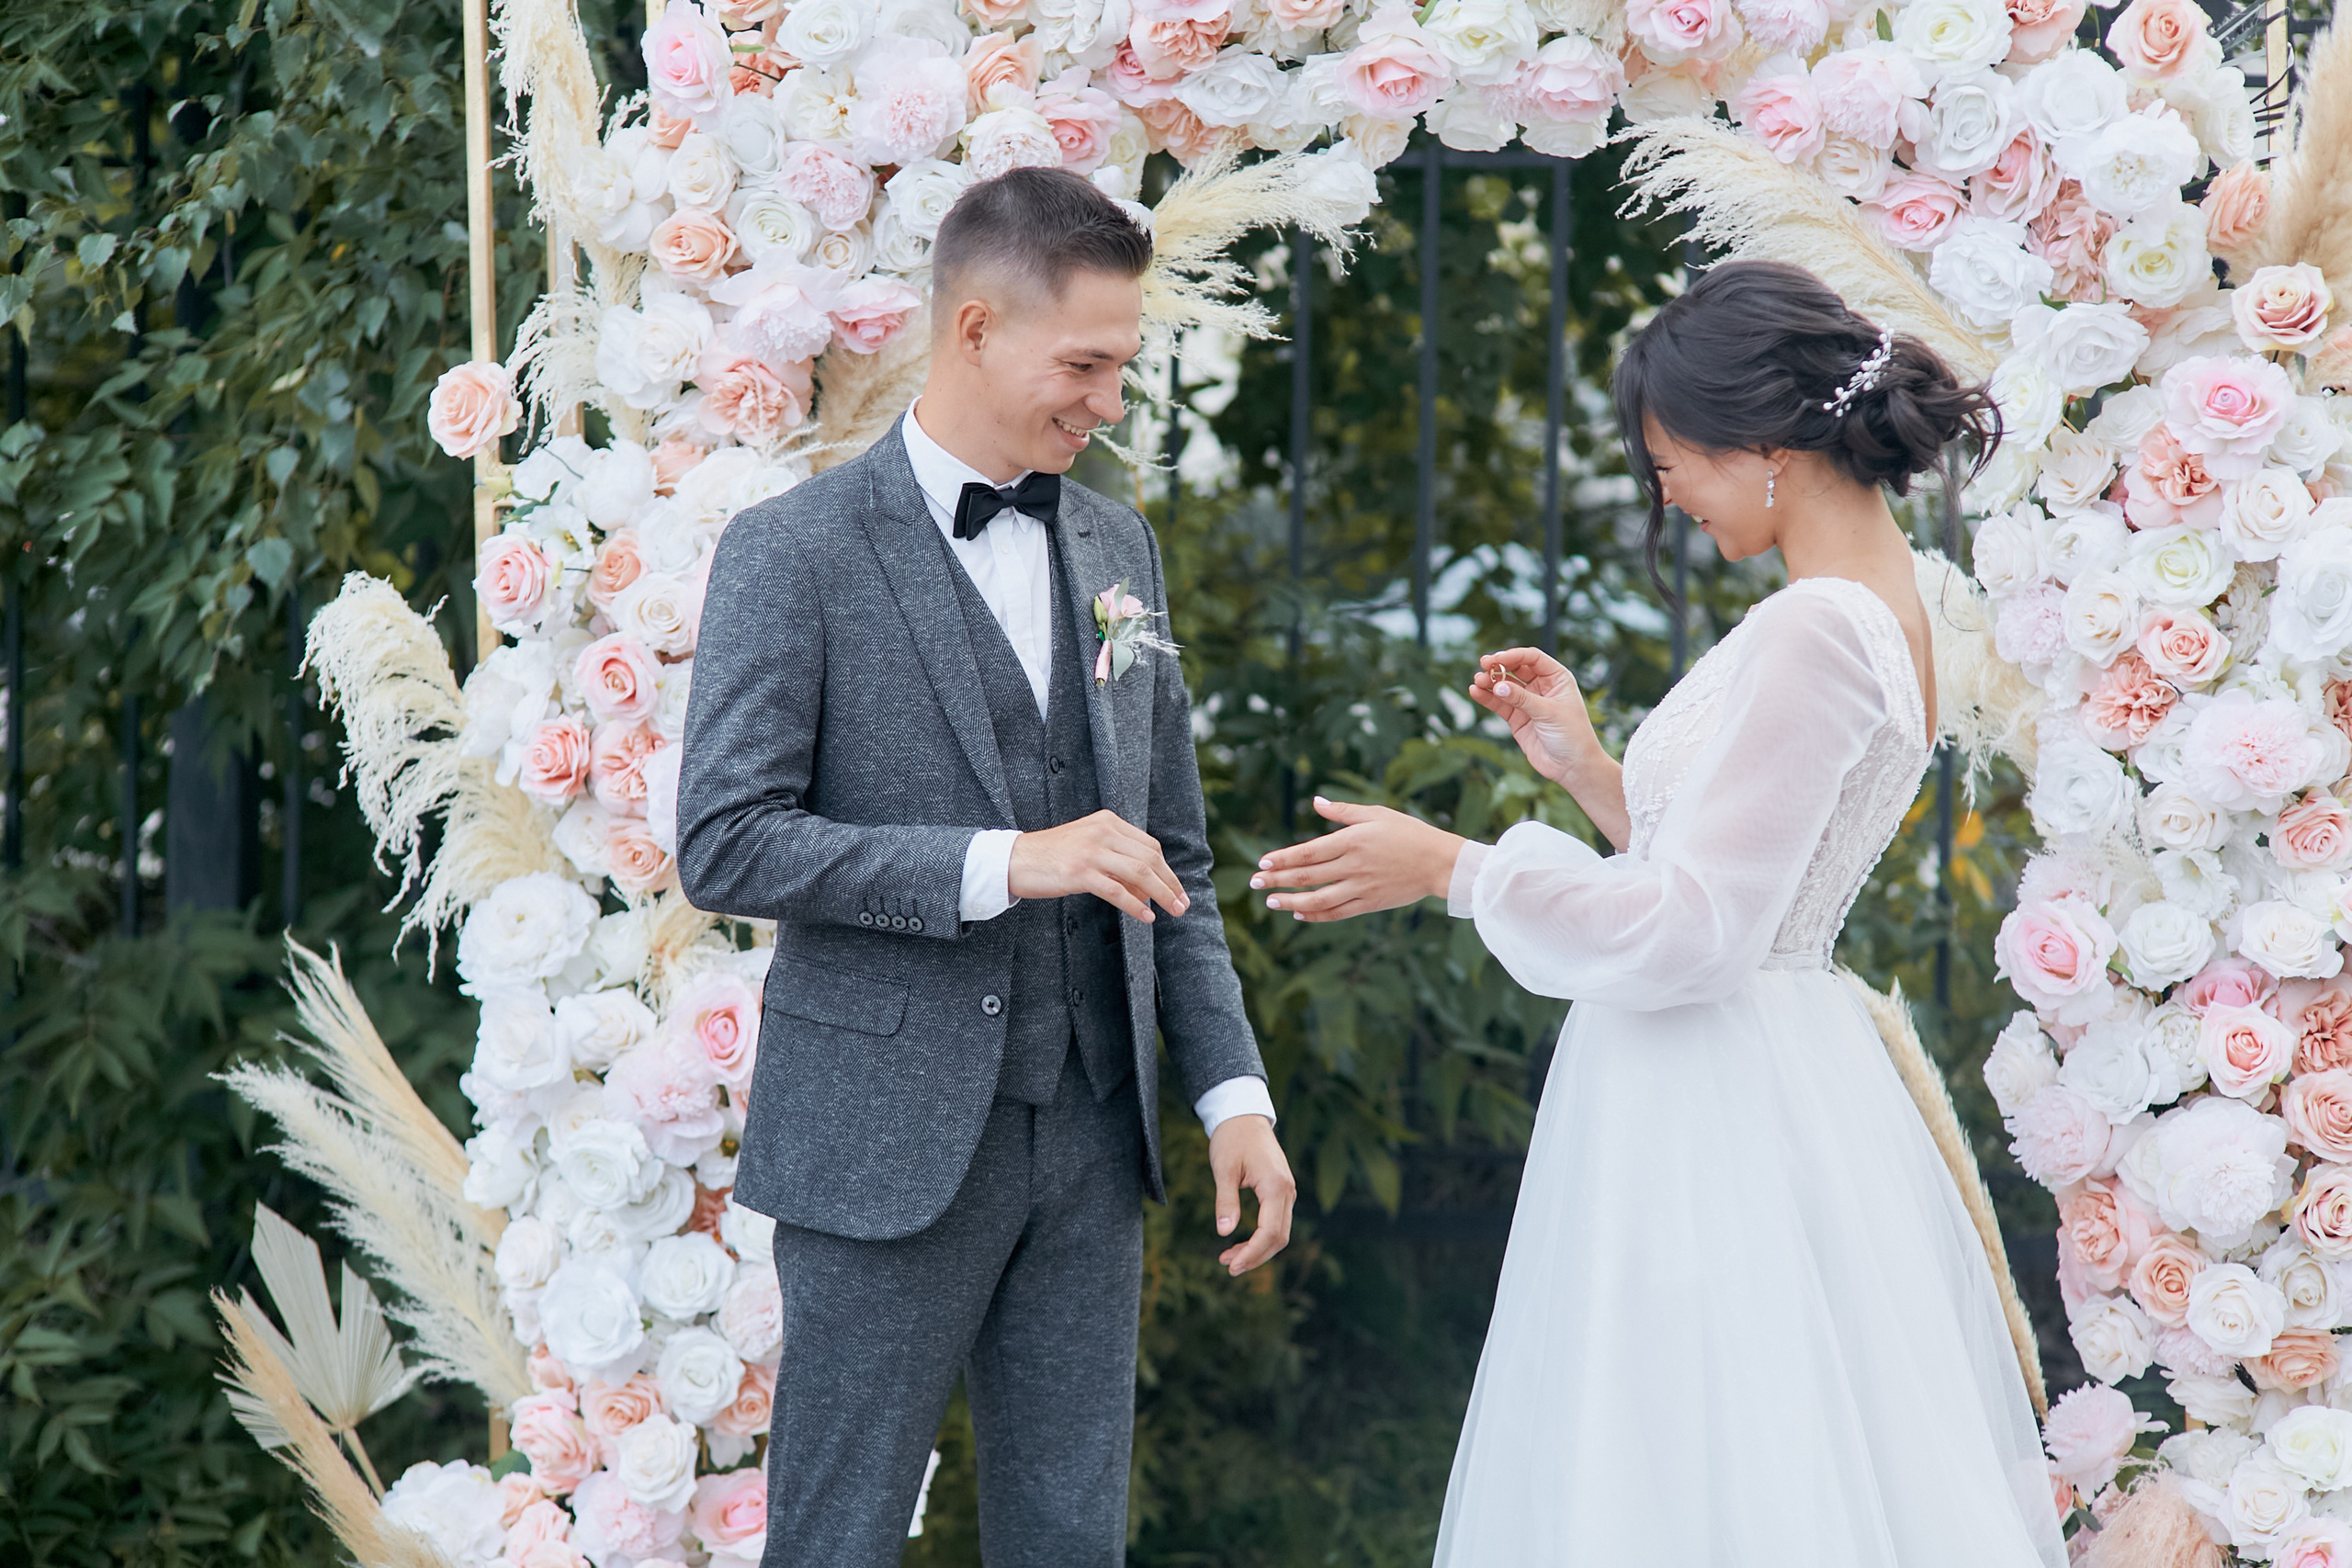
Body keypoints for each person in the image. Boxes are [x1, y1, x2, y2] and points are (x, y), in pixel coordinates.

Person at [1251, 260, 2066, 1566]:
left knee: (1689, 1471)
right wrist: (1588, 769)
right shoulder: (1885, 613)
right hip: (1766, 1069)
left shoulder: (1814, 631)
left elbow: (1699, 932)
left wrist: (1456, 868)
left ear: (1767, 447)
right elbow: (1745, 874)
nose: (1666, 494)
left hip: (1711, 1099)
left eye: (1670, 462)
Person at [676, 165, 1297, 1568]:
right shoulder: (794, 552)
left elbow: (1170, 856)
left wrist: (1233, 1096)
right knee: (835, 1542)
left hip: (1092, 1139)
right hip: (879, 1140)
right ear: (973, 329)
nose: (1110, 401)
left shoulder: (1118, 545)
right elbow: (725, 840)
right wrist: (1002, 863)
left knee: (1071, 1541)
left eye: (1122, 366)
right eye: (1084, 365)